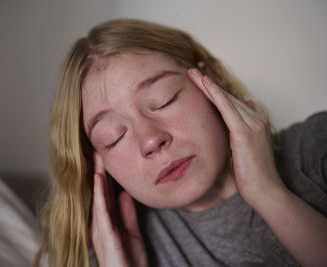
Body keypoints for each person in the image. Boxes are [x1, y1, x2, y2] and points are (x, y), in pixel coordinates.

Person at [34, 18, 327, 267]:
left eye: (164, 100)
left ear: (208, 84)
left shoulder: (317, 145)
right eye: (113, 136)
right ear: (98, 160)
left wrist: (269, 193)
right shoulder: (112, 250)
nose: (150, 139)